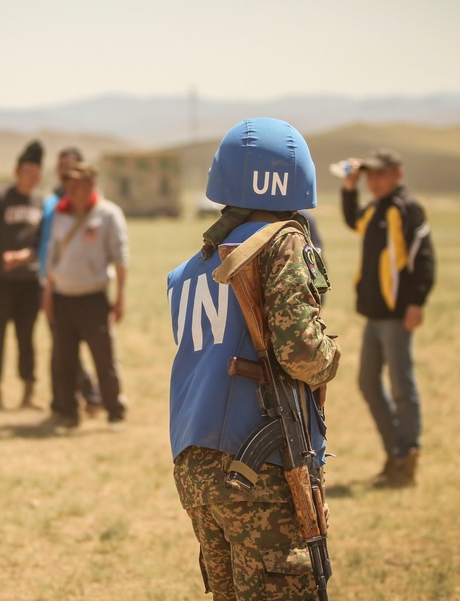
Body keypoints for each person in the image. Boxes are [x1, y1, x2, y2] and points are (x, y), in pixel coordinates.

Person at [167, 118, 341, 600]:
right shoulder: (282, 241)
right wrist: (332, 358)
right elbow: (302, 352)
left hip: (196, 466)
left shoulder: (190, 269)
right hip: (257, 467)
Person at [341, 149, 435, 488]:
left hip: (397, 314)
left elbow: (423, 257)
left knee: (401, 386)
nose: (374, 181)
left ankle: (406, 459)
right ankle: (395, 451)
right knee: (368, 382)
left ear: (398, 173)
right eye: (370, 176)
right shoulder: (376, 209)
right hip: (373, 315)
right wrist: (349, 188)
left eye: (380, 174)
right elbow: (354, 221)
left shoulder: (406, 208)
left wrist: (416, 302)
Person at [43, 161, 128, 428]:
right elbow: (52, 257)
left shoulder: (107, 214)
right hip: (63, 296)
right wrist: (48, 295)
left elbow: (120, 258)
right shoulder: (60, 214)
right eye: (68, 185)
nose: (72, 190)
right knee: (64, 361)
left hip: (93, 297)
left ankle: (115, 411)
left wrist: (120, 296)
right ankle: (69, 412)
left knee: (104, 359)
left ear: (91, 184)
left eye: (78, 185)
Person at [0, 140, 45, 411]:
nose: (31, 174)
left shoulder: (42, 202)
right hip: (2, 281)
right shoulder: (1, 197)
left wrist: (25, 257)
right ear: (17, 170)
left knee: (27, 336)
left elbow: (44, 241)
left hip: (30, 282)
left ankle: (28, 393)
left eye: (36, 170)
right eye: (27, 169)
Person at [38, 148, 103, 415]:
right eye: (62, 166)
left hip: (81, 286)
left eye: (71, 166)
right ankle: (65, 400)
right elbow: (43, 242)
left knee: (72, 347)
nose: (66, 172)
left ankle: (87, 395)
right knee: (60, 346)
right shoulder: (50, 204)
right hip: (50, 280)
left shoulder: (91, 207)